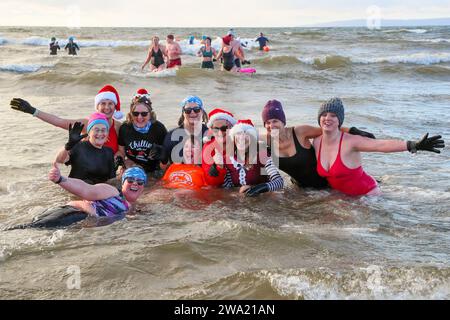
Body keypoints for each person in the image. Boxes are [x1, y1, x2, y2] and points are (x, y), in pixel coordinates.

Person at [312, 98, 445, 196]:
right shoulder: (317, 141)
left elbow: (380, 145)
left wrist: (412, 145)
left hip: (368, 195)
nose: (327, 118)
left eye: (333, 116)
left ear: (339, 120)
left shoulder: (351, 142)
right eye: (324, 115)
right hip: (345, 199)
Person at [262, 100, 375, 189]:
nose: (271, 125)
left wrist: (354, 131)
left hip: (327, 186)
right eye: (267, 122)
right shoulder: (264, 142)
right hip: (300, 190)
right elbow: (259, 168)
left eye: (275, 121)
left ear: (283, 122)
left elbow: (330, 129)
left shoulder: (299, 132)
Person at [7, 166, 147, 230]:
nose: (135, 183)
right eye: (130, 180)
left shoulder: (133, 207)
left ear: (143, 187)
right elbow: (87, 190)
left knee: (30, 229)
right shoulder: (112, 191)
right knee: (26, 228)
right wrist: (60, 180)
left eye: (140, 181)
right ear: (123, 183)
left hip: (78, 221)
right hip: (72, 213)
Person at [10, 84, 124, 154]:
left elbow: (121, 150)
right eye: (103, 103)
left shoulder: (118, 126)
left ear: (115, 106)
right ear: (97, 107)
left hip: (108, 171)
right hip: (88, 170)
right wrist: (33, 111)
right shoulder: (87, 124)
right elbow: (58, 122)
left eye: (110, 103)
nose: (107, 107)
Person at [223, 120, 284, 197]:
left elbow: (279, 182)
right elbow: (226, 188)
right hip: (239, 202)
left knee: (278, 196)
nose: (242, 137)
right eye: (238, 133)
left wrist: (255, 189)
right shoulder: (228, 159)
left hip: (262, 200)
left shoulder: (262, 155)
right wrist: (238, 194)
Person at [55, 113, 115, 185]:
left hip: (97, 192)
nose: (100, 133)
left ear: (107, 133)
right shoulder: (78, 147)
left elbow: (111, 180)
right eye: (96, 130)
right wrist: (68, 146)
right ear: (89, 132)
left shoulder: (109, 152)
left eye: (103, 130)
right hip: (77, 191)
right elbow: (59, 160)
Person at [117, 93, 168, 177]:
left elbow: (166, 161)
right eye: (135, 114)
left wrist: (164, 158)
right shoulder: (125, 128)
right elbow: (121, 152)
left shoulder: (159, 128)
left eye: (144, 114)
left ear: (150, 114)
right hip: (133, 166)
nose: (139, 117)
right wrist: (119, 160)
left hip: (154, 169)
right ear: (131, 114)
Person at [162, 96, 209, 166]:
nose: (192, 112)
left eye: (196, 109)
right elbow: (165, 167)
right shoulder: (172, 136)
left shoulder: (209, 134)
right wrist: (163, 160)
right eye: (188, 110)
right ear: (183, 113)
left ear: (202, 112)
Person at [202, 108, 237, 186]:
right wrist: (218, 167)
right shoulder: (208, 147)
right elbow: (211, 183)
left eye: (224, 128)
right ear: (211, 130)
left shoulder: (241, 142)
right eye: (216, 129)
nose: (220, 133)